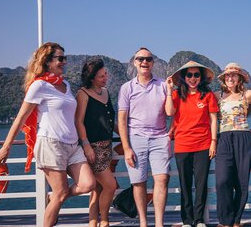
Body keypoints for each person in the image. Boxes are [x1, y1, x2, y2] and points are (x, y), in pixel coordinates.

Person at [0, 42, 96, 227]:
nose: (64, 62)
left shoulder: (65, 84)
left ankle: (53, 196)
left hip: (72, 145)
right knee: (61, 194)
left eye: (65, 58)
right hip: (51, 144)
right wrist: (6, 147)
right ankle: (54, 200)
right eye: (60, 58)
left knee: (88, 184)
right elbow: (20, 119)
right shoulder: (39, 86)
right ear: (48, 61)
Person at [118, 47, 171, 227]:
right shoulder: (126, 88)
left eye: (148, 59)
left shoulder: (163, 85)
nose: (144, 62)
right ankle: (143, 222)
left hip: (159, 138)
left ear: (153, 62)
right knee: (139, 182)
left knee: (162, 179)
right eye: (140, 59)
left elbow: (172, 112)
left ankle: (159, 223)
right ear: (135, 62)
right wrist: (126, 148)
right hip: (136, 138)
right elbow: (122, 120)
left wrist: (169, 136)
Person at [165, 61, 219, 227]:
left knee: (201, 184)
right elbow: (169, 112)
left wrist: (213, 142)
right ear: (184, 77)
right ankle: (187, 220)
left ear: (201, 77)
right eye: (189, 75)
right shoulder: (177, 95)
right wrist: (168, 91)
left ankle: (199, 219)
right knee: (185, 183)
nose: (193, 78)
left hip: (203, 145)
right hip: (182, 145)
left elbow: (213, 120)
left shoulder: (207, 95)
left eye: (196, 75)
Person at [214, 63, 251, 227]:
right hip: (224, 139)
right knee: (222, 180)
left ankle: (235, 220)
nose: (230, 78)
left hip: (243, 138)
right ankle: (224, 220)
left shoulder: (247, 94)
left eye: (234, 75)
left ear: (240, 78)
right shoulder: (218, 96)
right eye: (227, 75)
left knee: (241, 182)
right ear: (223, 79)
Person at [75, 58, 118, 227]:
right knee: (110, 185)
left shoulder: (106, 92)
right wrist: (86, 145)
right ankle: (105, 220)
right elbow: (78, 121)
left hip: (107, 146)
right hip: (93, 147)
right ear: (91, 77)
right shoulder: (83, 94)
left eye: (105, 74)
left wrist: (128, 135)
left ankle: (93, 222)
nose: (105, 78)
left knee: (98, 189)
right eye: (101, 76)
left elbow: (110, 122)